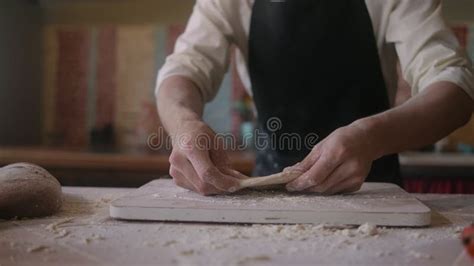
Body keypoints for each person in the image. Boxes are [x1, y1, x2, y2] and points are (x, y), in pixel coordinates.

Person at [156, 0, 474, 195]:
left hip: (372, 190)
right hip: (269, 188)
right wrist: (184, 125)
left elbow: (455, 86)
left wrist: (369, 136)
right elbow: (184, 69)